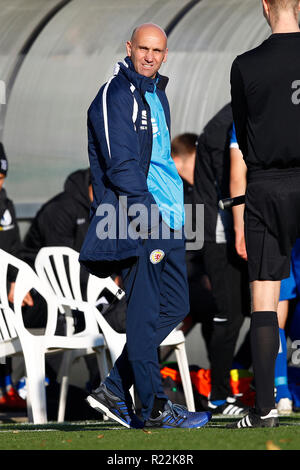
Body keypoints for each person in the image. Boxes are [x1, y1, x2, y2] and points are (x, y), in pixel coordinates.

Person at [80, 23, 211, 429]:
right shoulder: (113, 95)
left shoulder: (157, 93)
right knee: (144, 309)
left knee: (177, 304)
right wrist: (145, 213)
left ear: (165, 54)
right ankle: (153, 406)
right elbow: (121, 166)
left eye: (157, 50)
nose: (150, 56)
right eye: (143, 49)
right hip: (140, 217)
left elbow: (160, 161)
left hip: (172, 217)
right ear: (129, 48)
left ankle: (116, 387)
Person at [230, 0, 300, 428]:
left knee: (264, 298)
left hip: (266, 186)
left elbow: (245, 131)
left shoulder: (245, 65)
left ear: (264, 7)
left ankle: (264, 409)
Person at [193, 106, 250, 416]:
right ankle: (219, 395)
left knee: (260, 313)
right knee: (229, 315)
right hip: (222, 233)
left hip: (231, 229)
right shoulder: (230, 123)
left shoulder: (235, 113)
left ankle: (241, 380)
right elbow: (233, 183)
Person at [171, 133, 216, 353]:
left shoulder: (192, 191)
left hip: (189, 276)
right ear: (177, 162)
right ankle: (222, 377)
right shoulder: (166, 192)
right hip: (170, 276)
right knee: (215, 307)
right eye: (197, 163)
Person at [0, 142, 27, 410]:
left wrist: (15, 283)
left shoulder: (6, 206)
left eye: (1, 177)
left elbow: (16, 251)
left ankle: (8, 386)